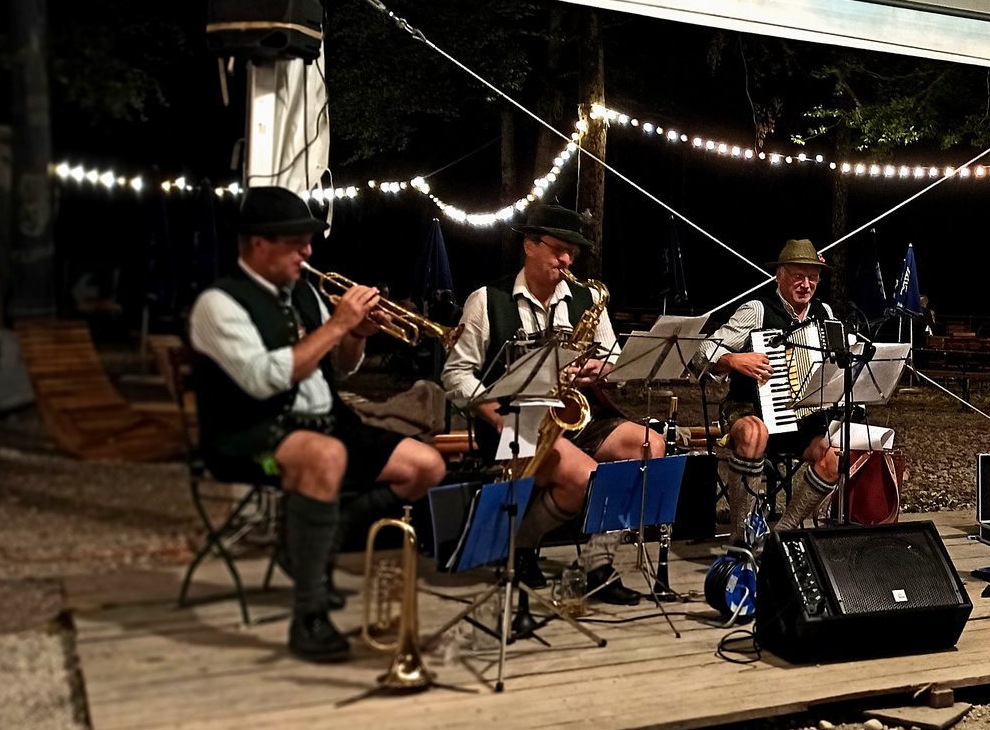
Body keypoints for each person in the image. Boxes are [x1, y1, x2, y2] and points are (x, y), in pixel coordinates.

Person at [189, 187, 446, 662]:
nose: (309, 251)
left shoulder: (305, 291)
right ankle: (309, 615)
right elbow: (264, 379)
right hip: (252, 435)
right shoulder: (219, 304)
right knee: (324, 457)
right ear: (258, 244)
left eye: (310, 240)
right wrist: (336, 324)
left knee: (426, 466)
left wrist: (356, 334)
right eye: (296, 241)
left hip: (328, 420)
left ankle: (311, 547)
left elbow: (341, 370)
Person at [442, 202, 664, 605]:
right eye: (557, 249)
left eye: (572, 253)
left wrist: (600, 368)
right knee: (584, 476)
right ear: (529, 245)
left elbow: (613, 357)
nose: (565, 260)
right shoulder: (488, 300)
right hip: (514, 421)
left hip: (572, 415)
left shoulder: (586, 298)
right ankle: (521, 545)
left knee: (648, 445)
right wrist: (494, 415)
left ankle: (598, 566)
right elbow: (455, 375)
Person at [694, 240, 844, 544]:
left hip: (802, 416)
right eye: (797, 277)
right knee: (754, 433)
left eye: (812, 278)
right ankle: (741, 537)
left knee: (836, 457)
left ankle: (782, 534)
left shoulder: (823, 312)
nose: (806, 285)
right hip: (747, 407)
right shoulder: (758, 311)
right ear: (779, 276)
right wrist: (733, 360)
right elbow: (702, 351)